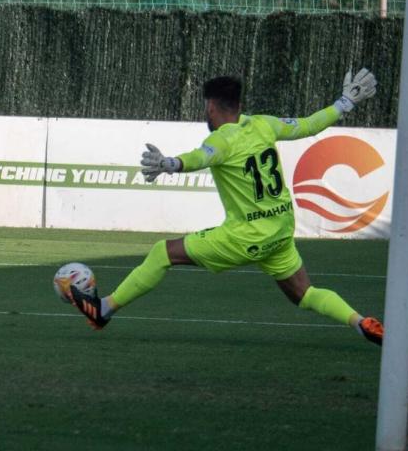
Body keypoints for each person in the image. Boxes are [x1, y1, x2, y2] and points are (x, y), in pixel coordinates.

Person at [60, 70, 384, 345]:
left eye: (206, 107)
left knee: (162, 252)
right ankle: (360, 321)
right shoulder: (264, 125)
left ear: (211, 107)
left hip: (246, 236)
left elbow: (202, 157)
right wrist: (346, 101)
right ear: (240, 105)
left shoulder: (222, 140)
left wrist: (171, 163)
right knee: (304, 294)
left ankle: (104, 309)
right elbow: (310, 125)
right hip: (281, 231)